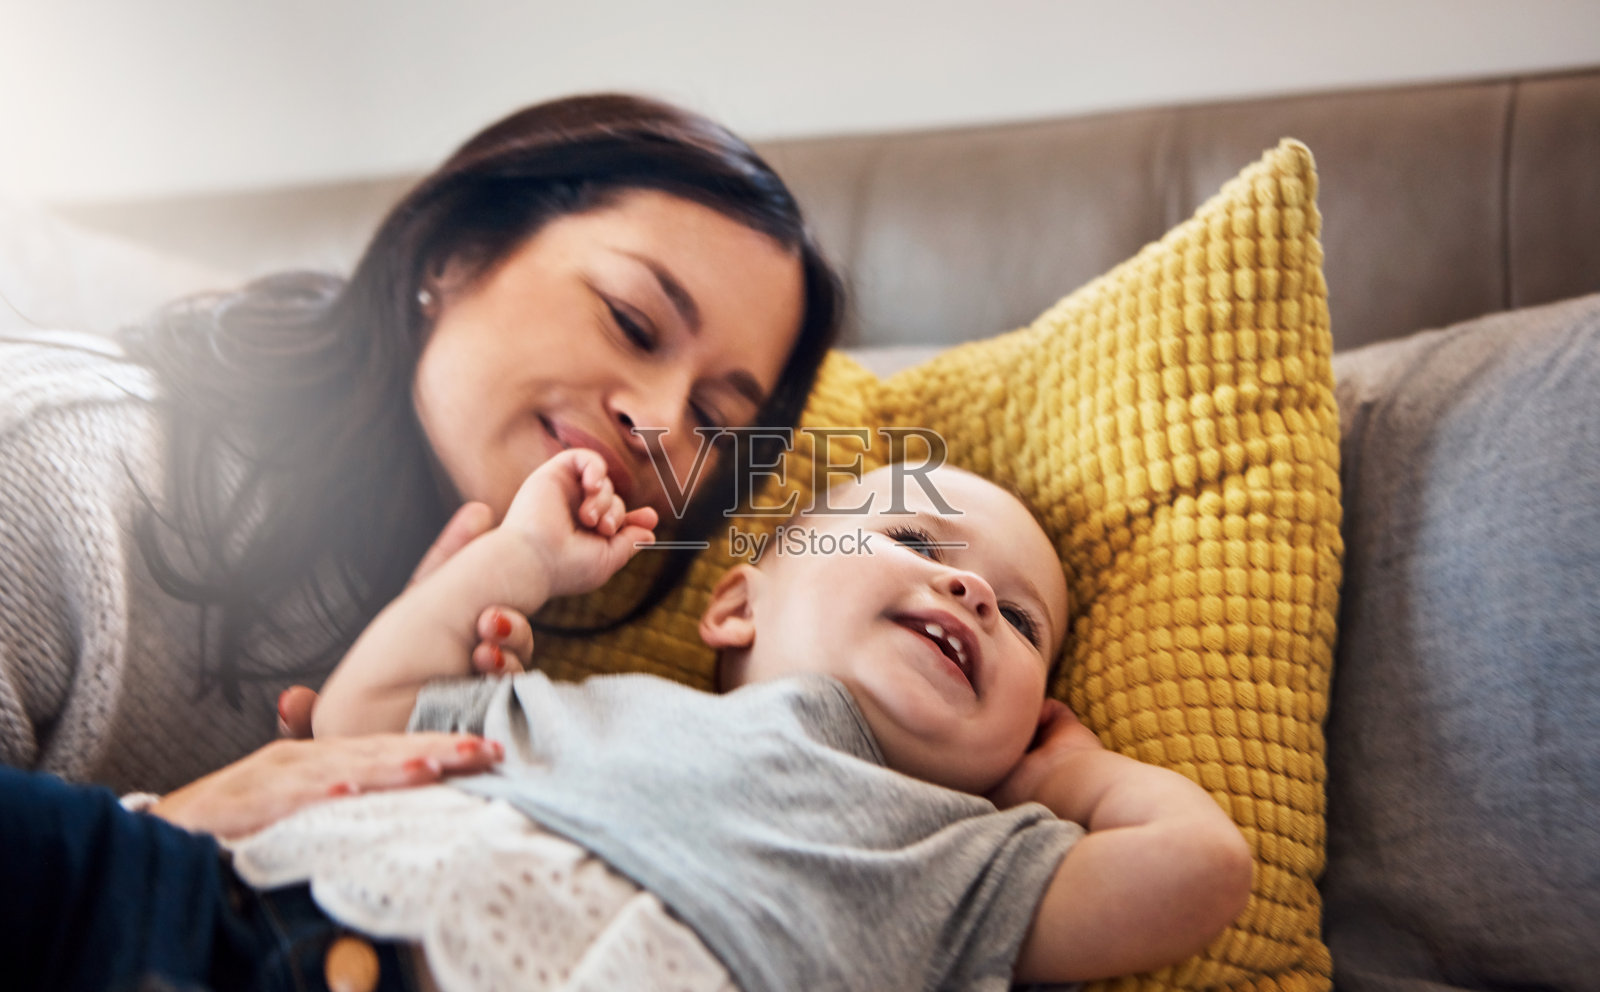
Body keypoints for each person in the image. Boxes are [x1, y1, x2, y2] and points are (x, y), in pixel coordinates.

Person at [10, 458, 1245, 991]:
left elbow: (1199, 869)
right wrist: (521, 558)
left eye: (1022, 620)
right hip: (218, 910)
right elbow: (360, 713)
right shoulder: (588, 707)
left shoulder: (965, 858)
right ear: (735, 604)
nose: (973, 590)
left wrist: (1077, 773)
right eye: (917, 543)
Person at [0, 93, 844, 818]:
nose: (656, 418)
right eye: (631, 320)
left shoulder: (476, 652)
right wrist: (185, 834)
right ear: (458, 252)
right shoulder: (54, 465)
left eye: (711, 416)